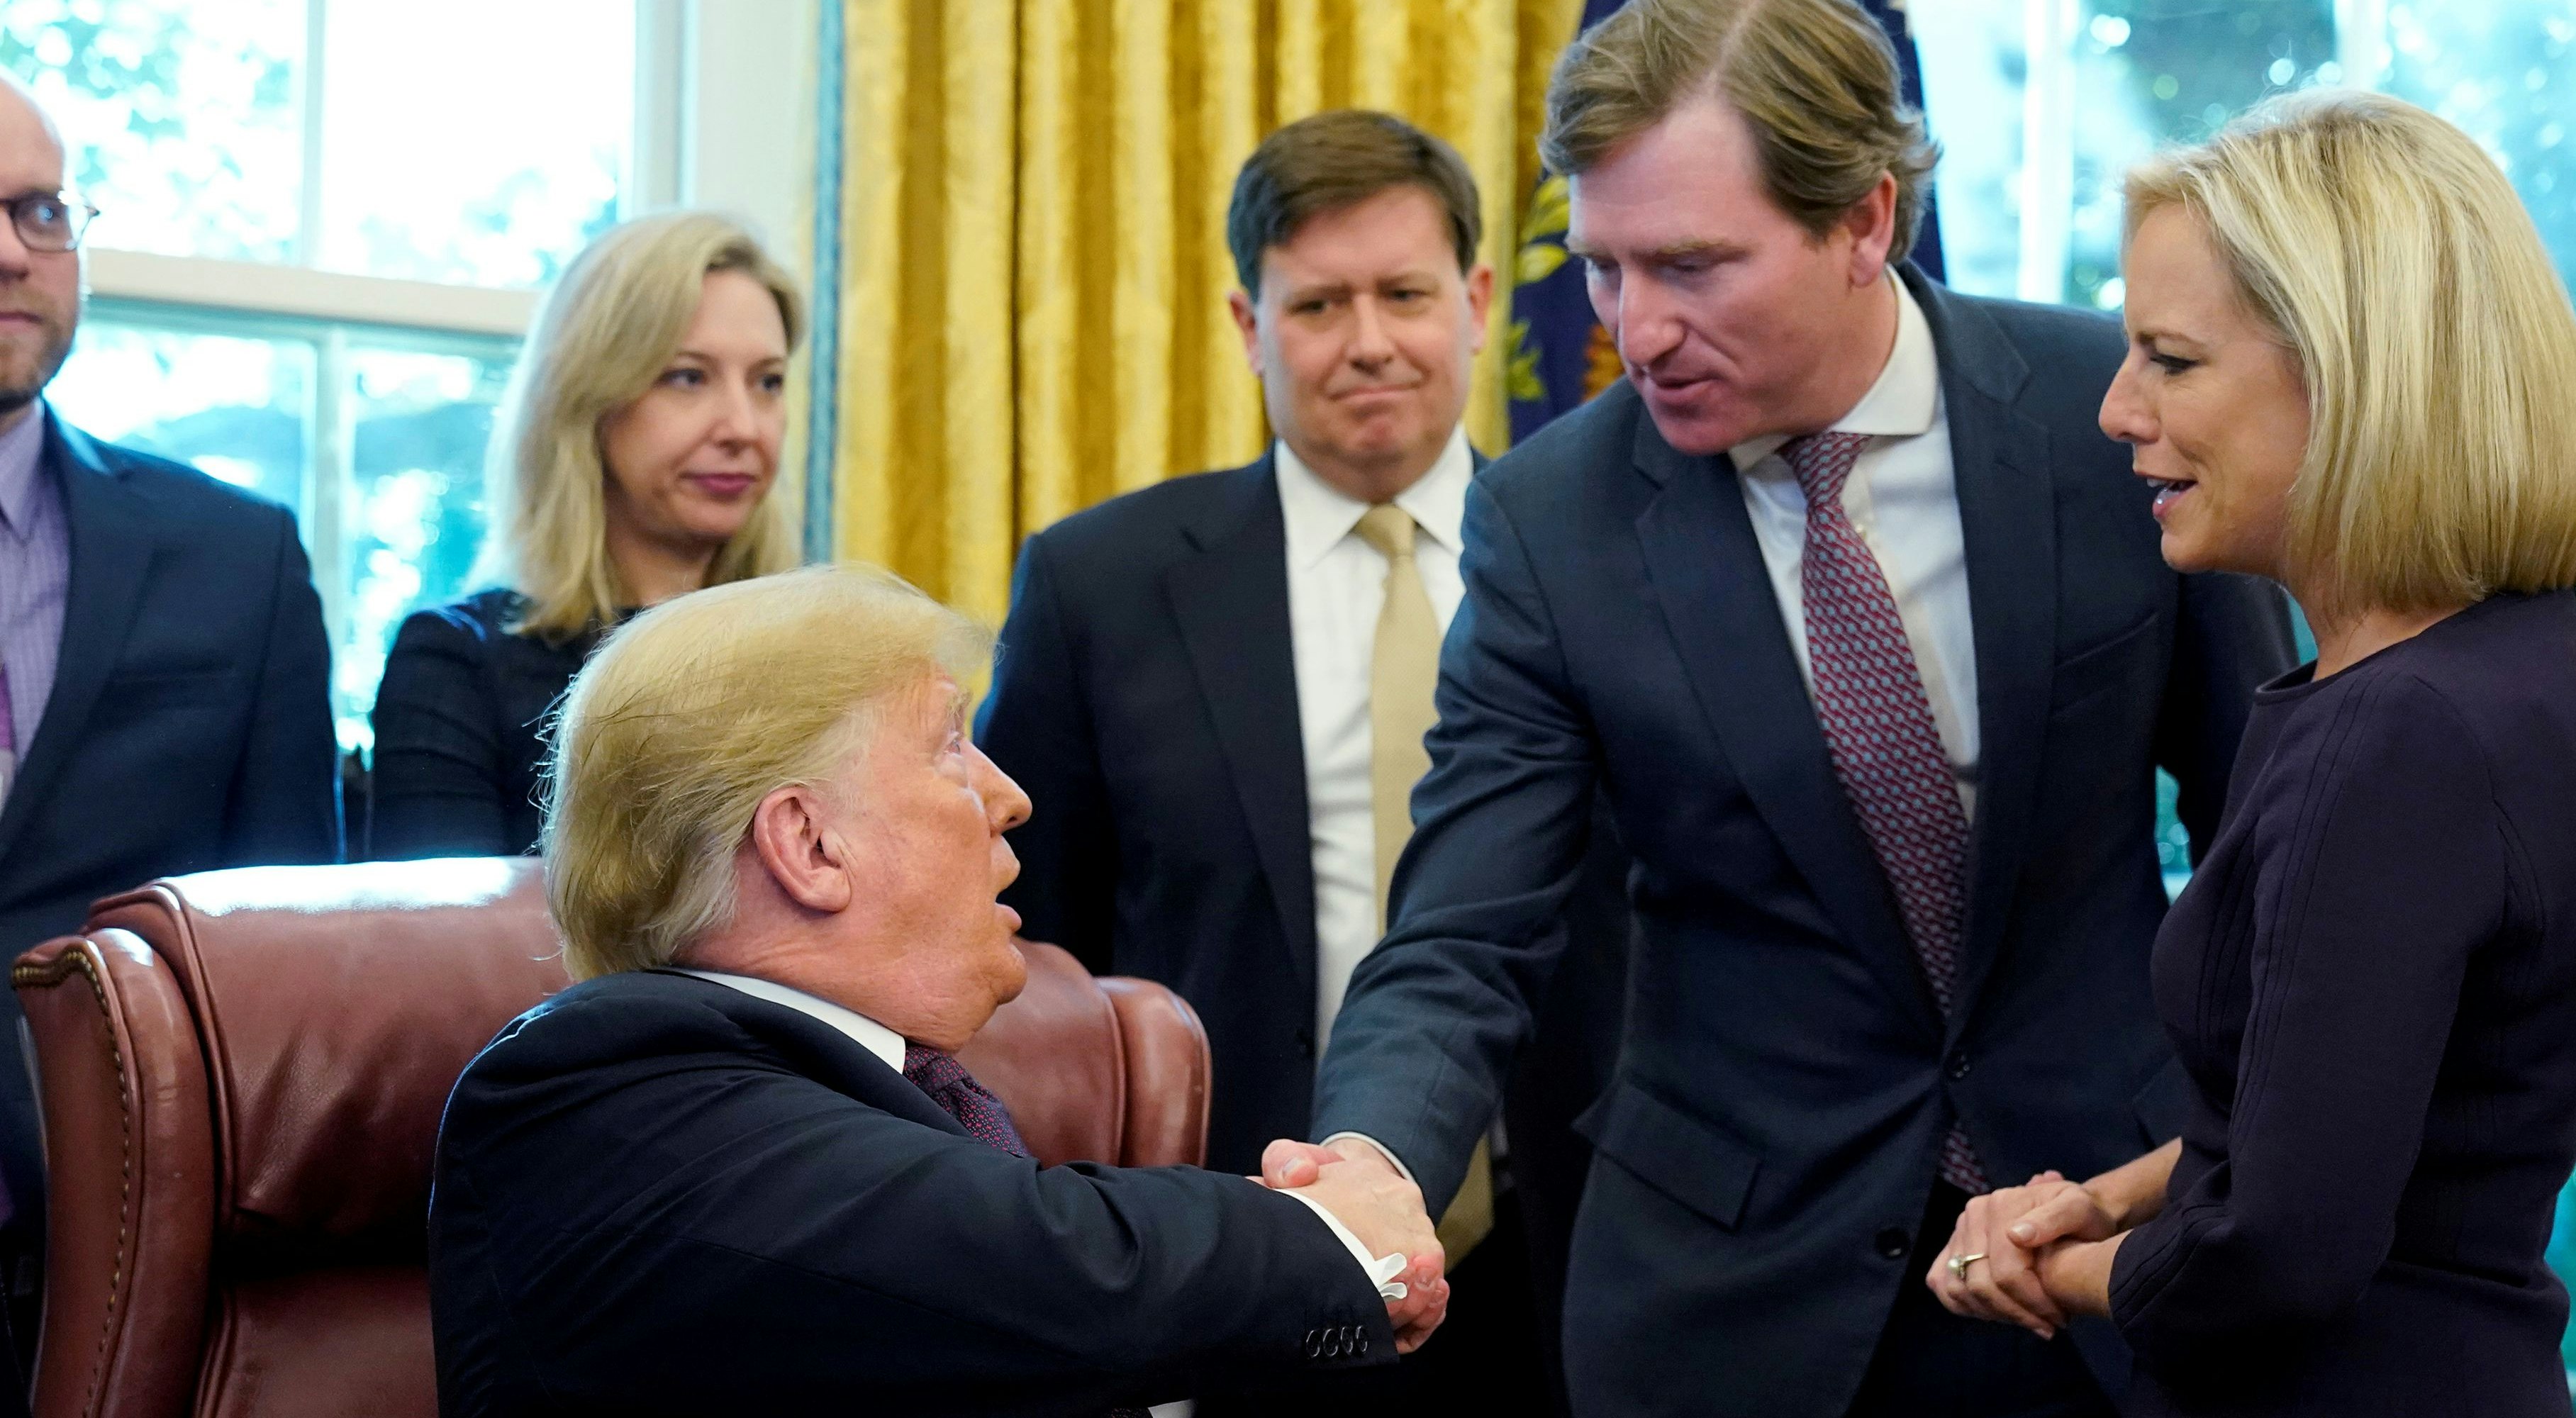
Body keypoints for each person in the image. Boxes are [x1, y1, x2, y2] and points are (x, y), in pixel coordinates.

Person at [1260, 2, 2297, 1414]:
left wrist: (2238, 1138)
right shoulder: (1555, 521)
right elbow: (1465, 928)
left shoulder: (2105, 415)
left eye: (1693, 265)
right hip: (1730, 1305)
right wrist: (1374, 1155)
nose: (1636, 329)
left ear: (1863, 218)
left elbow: (2273, 821)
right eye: (1606, 268)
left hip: (2106, 1251)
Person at [1925, 91, 2576, 1417]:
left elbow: (2280, 1248)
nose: (2115, 410)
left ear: (2348, 369)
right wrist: (2091, 1199)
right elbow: (2330, 1121)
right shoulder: (2516, 659)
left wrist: (2051, 1268)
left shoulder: (2398, 737)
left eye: (2172, 361)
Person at [428, 564, 1451, 1418]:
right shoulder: (597, 1093)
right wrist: (1339, 1242)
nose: (1011, 797)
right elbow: (1050, 1270)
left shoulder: (892, 1089)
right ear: (808, 843)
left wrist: (1350, 1273)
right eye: (951, 743)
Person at [976, 109, 1629, 1411]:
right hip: (1237, 1247)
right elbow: (1024, 951)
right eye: (1319, 303)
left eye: (1404, 293)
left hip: (1580, 1248)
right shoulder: (1099, 588)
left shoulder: (1613, 559)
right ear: (1247, 324)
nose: (1370, 341)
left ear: (1479, 300)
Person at [0, 72, 337, 1372]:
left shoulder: (234, 559)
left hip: (121, 1255)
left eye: (41, 211)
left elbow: (289, 957)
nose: (12, 251)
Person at [369, 211, 801, 860]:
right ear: (586, 401)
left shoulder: (821, 663)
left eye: (767, 382)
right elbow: (442, 955)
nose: (744, 426)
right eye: (688, 377)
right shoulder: (458, 664)